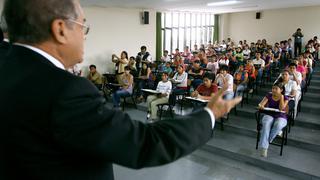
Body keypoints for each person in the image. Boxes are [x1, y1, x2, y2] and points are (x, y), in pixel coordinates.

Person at [0, 0, 241, 179]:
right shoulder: (65, 91)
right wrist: (209, 114)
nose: (84, 35)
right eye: (82, 26)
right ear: (60, 29)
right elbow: (144, 143)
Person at [258, 82, 289, 157]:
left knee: (278, 125)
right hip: (269, 114)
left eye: (276, 89)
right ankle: (264, 148)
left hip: (281, 116)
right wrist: (261, 106)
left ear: (281, 90)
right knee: (266, 123)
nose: (274, 90)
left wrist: (281, 98)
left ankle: (266, 142)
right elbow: (261, 103)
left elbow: (281, 108)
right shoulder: (269, 95)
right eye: (273, 88)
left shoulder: (285, 98)